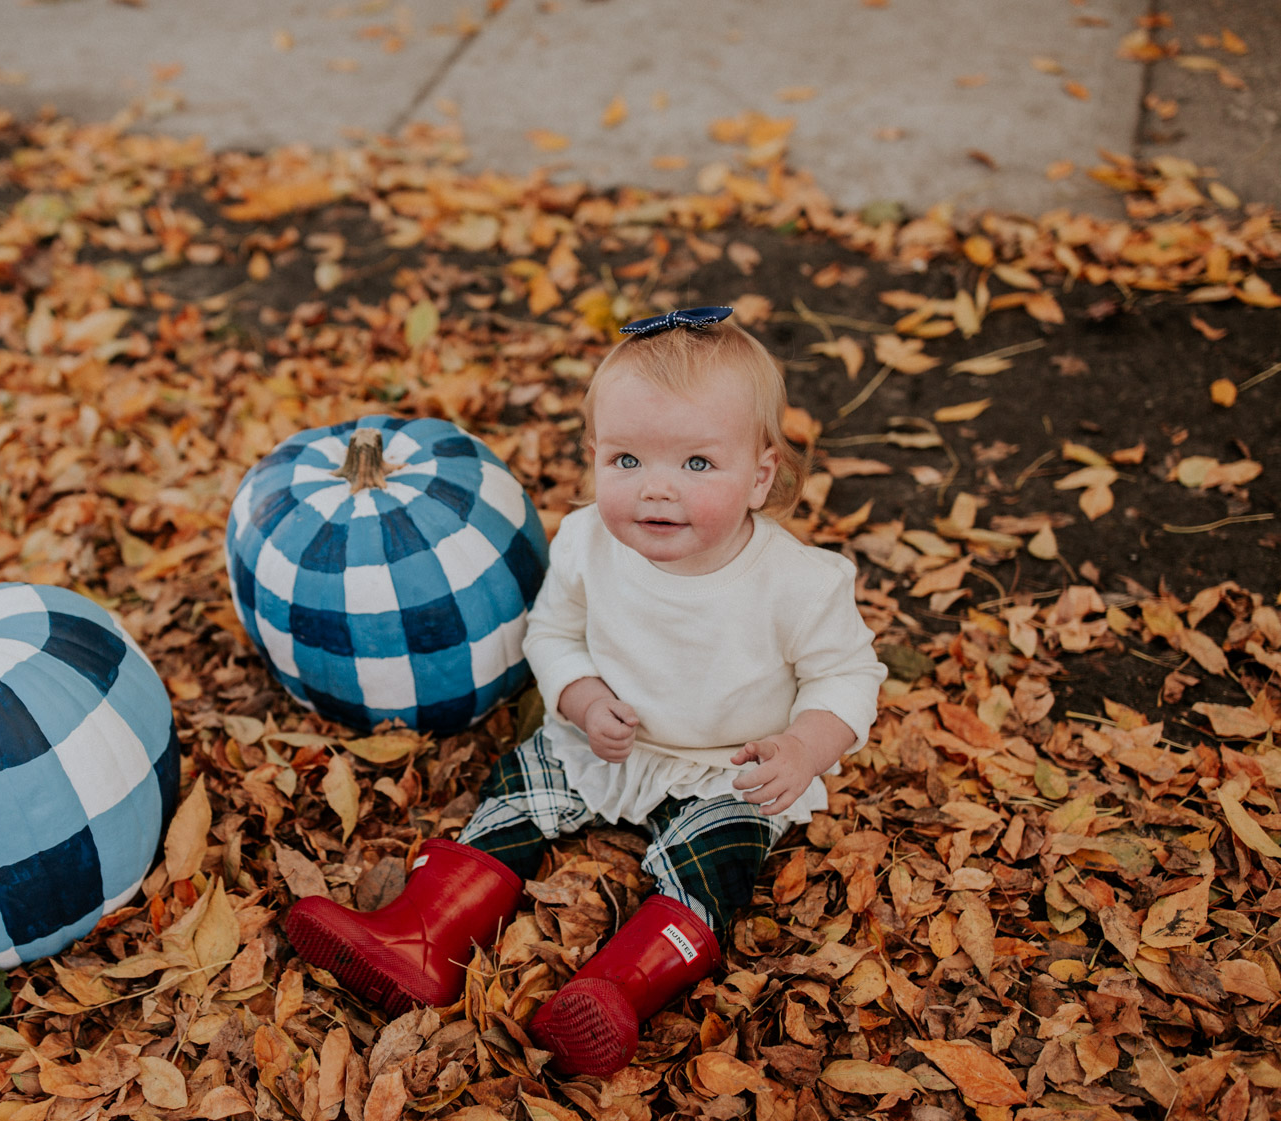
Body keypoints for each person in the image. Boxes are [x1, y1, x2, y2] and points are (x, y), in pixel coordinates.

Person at [285, 307, 886, 1075]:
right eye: (628, 461)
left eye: (698, 464)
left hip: (726, 766)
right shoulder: (585, 544)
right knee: (516, 792)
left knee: (719, 860)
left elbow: (849, 675)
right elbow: (554, 635)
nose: (657, 490)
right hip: (604, 742)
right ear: (594, 455)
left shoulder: (795, 584)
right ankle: (420, 938)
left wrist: (804, 747)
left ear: (760, 474)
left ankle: (615, 993)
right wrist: (581, 698)